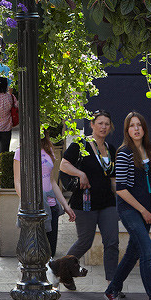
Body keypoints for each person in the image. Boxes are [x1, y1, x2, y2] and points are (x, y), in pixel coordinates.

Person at [104, 111, 151, 300]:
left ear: (144, 129)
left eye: (139, 125)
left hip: (146, 210)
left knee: (133, 253)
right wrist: (143, 211)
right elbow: (121, 189)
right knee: (147, 253)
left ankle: (111, 290)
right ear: (127, 131)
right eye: (131, 126)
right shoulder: (125, 152)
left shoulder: (148, 150)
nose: (136, 129)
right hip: (129, 210)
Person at [54, 111, 118, 289]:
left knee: (112, 242)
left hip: (107, 203)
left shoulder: (111, 149)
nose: (104, 127)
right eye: (100, 123)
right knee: (85, 242)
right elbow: (64, 165)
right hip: (85, 203)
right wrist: (81, 173)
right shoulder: (80, 145)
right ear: (92, 125)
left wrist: (120, 198)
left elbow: (112, 178)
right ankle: (61, 272)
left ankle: (112, 284)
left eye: (107, 124)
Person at [14, 129, 75, 258]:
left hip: (51, 207)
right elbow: (18, 182)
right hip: (33, 208)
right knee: (34, 251)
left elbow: (52, 181)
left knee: (50, 251)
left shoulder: (48, 150)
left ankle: (49, 277)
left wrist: (65, 205)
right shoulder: (20, 152)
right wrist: (28, 203)